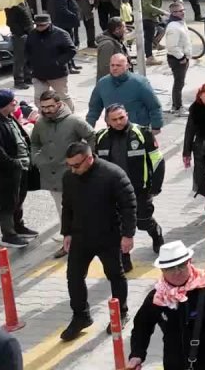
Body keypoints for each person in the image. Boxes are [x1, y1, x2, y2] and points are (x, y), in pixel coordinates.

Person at [125, 241, 205, 370]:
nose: (177, 272)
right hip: (175, 364)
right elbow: (141, 326)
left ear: (190, 261)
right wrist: (137, 354)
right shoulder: (158, 297)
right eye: (170, 268)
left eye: (181, 265)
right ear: (162, 270)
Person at [58, 141, 136, 341]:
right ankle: (81, 316)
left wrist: (128, 235)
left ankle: (121, 312)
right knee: (74, 277)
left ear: (89, 158)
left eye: (76, 165)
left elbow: (128, 205)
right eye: (69, 165)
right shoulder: (69, 177)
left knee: (115, 275)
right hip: (80, 236)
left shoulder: (112, 174)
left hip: (108, 236)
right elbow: (67, 206)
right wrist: (66, 233)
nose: (73, 170)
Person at [29, 90, 94, 257]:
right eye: (43, 107)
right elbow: (34, 143)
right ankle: (70, 242)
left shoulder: (74, 121)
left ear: (58, 104)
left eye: (50, 106)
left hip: (74, 174)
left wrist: (88, 159)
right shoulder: (40, 123)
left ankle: (86, 239)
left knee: (82, 209)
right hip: (52, 176)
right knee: (62, 210)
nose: (47, 110)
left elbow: (92, 136)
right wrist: (37, 159)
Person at [0, 90, 33, 248]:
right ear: (3, 105)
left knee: (19, 198)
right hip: (7, 170)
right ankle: (9, 235)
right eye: (12, 102)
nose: (15, 103)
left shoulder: (9, 116)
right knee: (8, 202)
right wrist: (14, 163)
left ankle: (18, 226)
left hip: (20, 167)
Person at [87, 54, 163, 134]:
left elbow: (154, 106)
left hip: (138, 131)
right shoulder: (102, 84)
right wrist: (88, 129)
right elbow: (94, 109)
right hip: (113, 131)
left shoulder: (139, 83)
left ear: (127, 66)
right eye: (112, 65)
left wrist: (156, 126)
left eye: (118, 65)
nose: (115, 68)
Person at [26, 13, 77, 108]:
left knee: (62, 97)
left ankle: (69, 117)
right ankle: (45, 117)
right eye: (37, 25)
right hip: (38, 74)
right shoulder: (32, 34)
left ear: (49, 23)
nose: (39, 27)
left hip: (57, 74)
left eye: (42, 25)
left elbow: (71, 50)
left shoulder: (61, 34)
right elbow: (27, 51)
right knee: (39, 98)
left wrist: (58, 62)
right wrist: (30, 66)